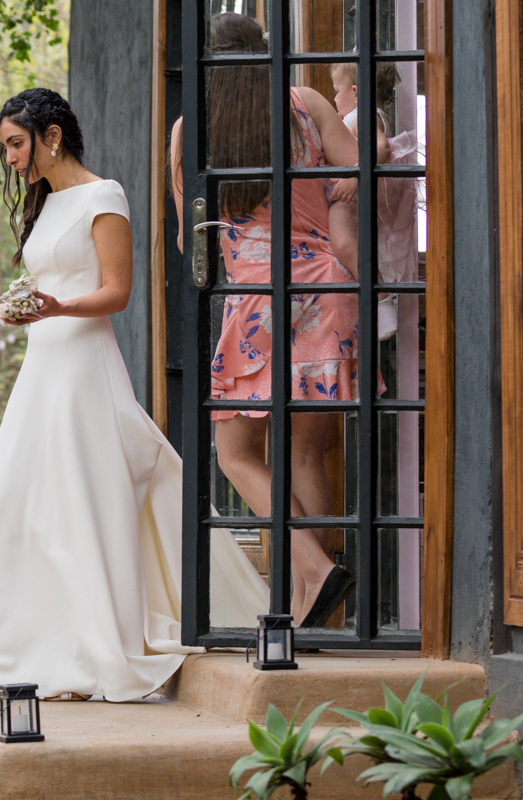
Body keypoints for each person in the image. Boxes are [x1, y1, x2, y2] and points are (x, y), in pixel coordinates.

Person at [0, 87, 268, 701]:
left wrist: (58, 306)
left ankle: (87, 652)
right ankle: (0, 648)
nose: (11, 159)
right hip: (42, 371)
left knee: (82, 499)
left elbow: (116, 292)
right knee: (20, 500)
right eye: (5, 148)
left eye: (16, 144)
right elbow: (35, 301)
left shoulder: (104, 196)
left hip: (85, 367)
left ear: (51, 136)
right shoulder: (45, 204)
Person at [170, 12, 370, 627]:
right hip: (325, 287)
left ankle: (311, 574)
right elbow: (364, 164)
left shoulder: (192, 127)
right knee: (307, 453)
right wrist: (339, 193)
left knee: (234, 452)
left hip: (256, 300)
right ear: (266, 50)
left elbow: (190, 240)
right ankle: (313, 604)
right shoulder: (304, 102)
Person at [328, 60, 420, 341]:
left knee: (343, 243)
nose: (334, 98)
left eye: (336, 91)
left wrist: (356, 176)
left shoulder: (362, 116)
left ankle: (378, 297)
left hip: (354, 194)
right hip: (366, 195)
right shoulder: (372, 114)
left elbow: (379, 147)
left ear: (355, 91)